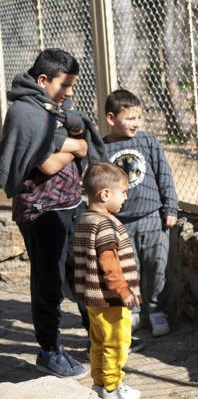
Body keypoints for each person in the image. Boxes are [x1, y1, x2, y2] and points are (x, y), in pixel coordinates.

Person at [0, 48, 104, 377]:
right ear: (43, 80)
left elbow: (85, 145)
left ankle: (98, 339)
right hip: (41, 212)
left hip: (72, 206)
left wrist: (71, 147)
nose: (70, 92)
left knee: (85, 276)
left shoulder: (56, 107)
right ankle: (49, 350)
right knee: (48, 284)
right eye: (65, 85)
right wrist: (72, 148)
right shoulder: (24, 113)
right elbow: (45, 162)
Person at [103, 89, 178, 337]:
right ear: (111, 119)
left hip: (152, 218)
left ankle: (156, 310)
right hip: (120, 223)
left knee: (157, 266)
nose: (136, 123)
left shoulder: (148, 142)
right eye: (129, 118)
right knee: (128, 270)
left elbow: (164, 175)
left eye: (138, 117)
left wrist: (170, 207)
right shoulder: (102, 148)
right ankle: (132, 313)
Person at [74, 162, 142, 399]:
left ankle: (100, 384)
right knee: (117, 343)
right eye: (122, 192)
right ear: (105, 194)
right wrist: (123, 291)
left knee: (99, 342)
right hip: (110, 299)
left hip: (92, 298)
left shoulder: (85, 219)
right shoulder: (105, 224)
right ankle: (113, 388)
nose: (125, 197)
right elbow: (109, 264)